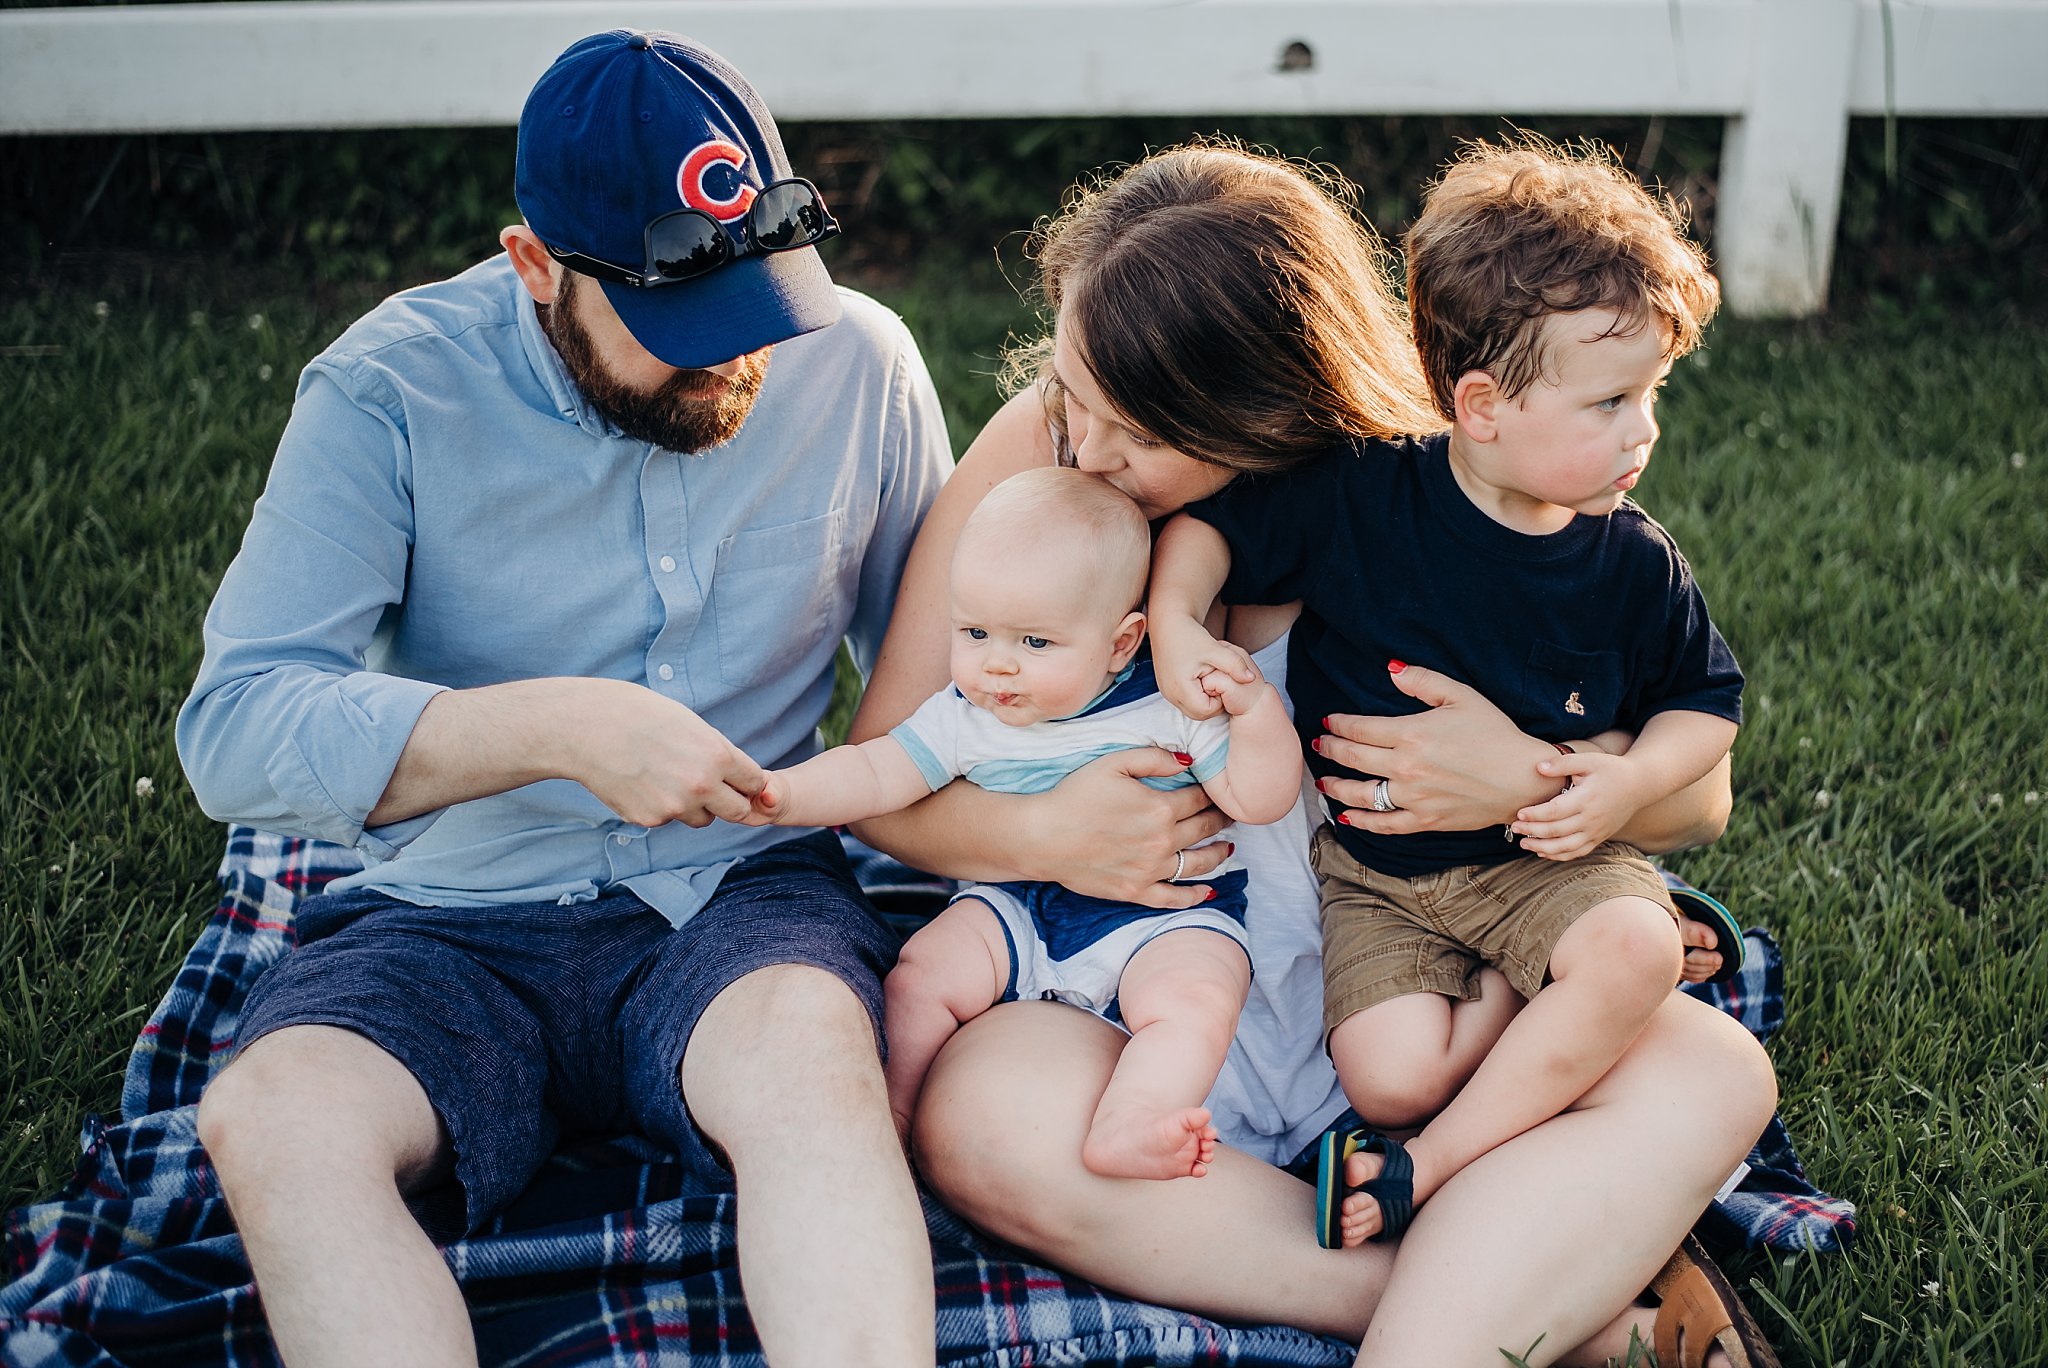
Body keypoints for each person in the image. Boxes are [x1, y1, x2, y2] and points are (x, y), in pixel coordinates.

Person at [846, 141, 1780, 1367]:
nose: (1083, 449)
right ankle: (1522, 1301)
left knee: (1710, 1070)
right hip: (1140, 1013)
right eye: (1070, 392)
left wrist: (1531, 778)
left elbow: (1697, 783)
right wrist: (1040, 830)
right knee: (983, 1116)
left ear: (1263, 414)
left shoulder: (1432, 490)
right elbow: (880, 776)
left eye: (1132, 430)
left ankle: (1458, 1305)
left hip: (1398, 985)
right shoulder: (1044, 459)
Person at [174, 30, 951, 1368]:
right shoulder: (388, 393)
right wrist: (551, 730)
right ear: (535, 262)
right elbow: (234, 729)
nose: (735, 362)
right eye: (676, 327)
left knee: (819, 1068)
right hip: (444, 920)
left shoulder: (856, 363)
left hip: (740, 896)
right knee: (274, 1120)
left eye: (757, 307)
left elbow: (950, 681)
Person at [1145, 136, 1743, 1249]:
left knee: (1624, 949)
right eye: (1610, 401)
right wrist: (1179, 621)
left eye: (1649, 393)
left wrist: (1619, 787)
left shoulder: (1629, 561)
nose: (1643, 429)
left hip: (1545, 865)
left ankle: (1429, 1167)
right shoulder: (1361, 494)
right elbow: (1209, 532)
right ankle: (1538, 1017)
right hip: (1376, 880)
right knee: (1383, 1077)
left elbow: (1701, 708)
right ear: (1479, 405)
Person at [739, 466, 1300, 1178]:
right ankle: (894, 1116)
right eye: (974, 632)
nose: (998, 666)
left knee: (1197, 999)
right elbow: (876, 774)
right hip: (1016, 903)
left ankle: (1135, 1118)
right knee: (919, 975)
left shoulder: (1166, 704)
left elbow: (1259, 799)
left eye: (1034, 644)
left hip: (1165, 917)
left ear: (1122, 643)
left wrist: (1253, 716)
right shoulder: (964, 716)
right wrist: (783, 792)